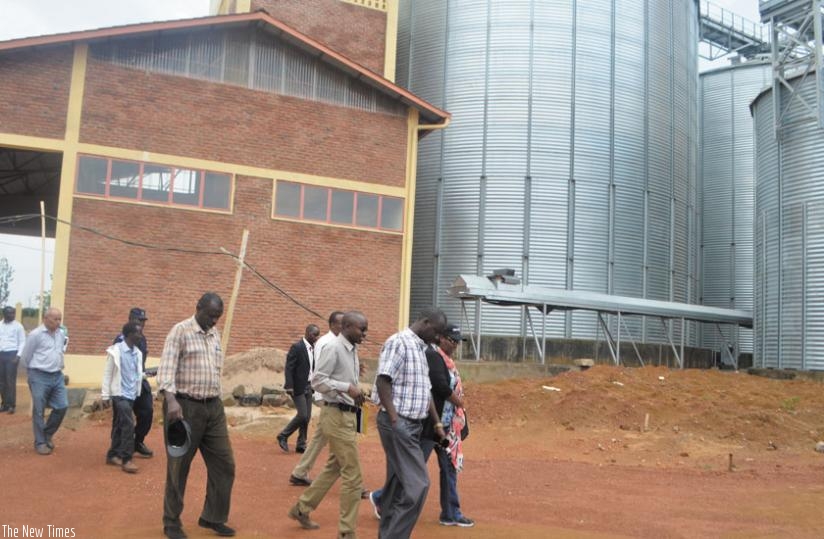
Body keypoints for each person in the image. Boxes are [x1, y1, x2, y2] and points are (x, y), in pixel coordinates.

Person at [369, 323, 474, 527]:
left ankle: (451, 512)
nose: (455, 346)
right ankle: (383, 500)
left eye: (458, 342)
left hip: (443, 425)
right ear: (441, 338)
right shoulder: (432, 356)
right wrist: (457, 404)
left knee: (447, 465)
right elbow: (440, 388)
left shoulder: (446, 360)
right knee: (414, 471)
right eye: (453, 341)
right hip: (429, 427)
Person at [157, 293, 236, 539]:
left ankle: (213, 517)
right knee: (178, 467)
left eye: (217, 317)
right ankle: (171, 523)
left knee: (225, 464)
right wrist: (171, 401)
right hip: (183, 408)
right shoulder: (180, 331)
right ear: (198, 308)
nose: (214, 321)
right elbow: (166, 369)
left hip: (213, 408)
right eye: (210, 315)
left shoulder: (214, 335)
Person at [287, 311, 368, 539]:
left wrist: (355, 389)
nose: (365, 334)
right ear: (348, 327)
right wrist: (346, 387)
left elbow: (340, 381)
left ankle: (301, 509)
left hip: (347, 416)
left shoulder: (351, 349)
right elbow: (317, 381)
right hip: (336, 416)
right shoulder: (333, 347)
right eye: (362, 329)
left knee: (334, 467)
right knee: (353, 476)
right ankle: (346, 532)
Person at [373, 308, 448, 539]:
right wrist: (395, 418)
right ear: (425, 322)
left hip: (414, 425)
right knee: (419, 484)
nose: (438, 338)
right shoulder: (399, 342)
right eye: (436, 332)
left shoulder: (421, 348)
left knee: (397, 485)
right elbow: (383, 380)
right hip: (398, 423)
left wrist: (437, 425)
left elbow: (425, 392)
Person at [289, 311, 343, 486]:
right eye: (343, 324)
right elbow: (321, 373)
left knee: (321, 436)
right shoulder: (326, 343)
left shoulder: (338, 342)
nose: (345, 327)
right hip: (329, 396)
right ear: (333, 324)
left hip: (335, 396)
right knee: (342, 437)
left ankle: (300, 472)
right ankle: (353, 479)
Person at [20, 307, 68, 455]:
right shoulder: (35, 335)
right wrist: (33, 375)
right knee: (39, 410)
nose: (58, 322)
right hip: (39, 375)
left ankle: (46, 434)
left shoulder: (61, 334)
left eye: (60, 319)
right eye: (55, 319)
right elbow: (26, 357)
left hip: (57, 375)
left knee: (62, 406)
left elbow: (60, 352)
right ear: (45, 319)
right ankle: (40, 442)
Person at [102, 321, 144, 474]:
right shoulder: (116, 351)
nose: (141, 335)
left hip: (131, 394)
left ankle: (112, 455)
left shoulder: (137, 353)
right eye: (138, 332)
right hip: (119, 395)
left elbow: (134, 374)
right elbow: (108, 373)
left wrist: (143, 377)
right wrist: (105, 395)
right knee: (128, 424)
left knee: (120, 424)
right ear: (129, 334)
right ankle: (127, 459)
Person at [113, 307, 154, 458]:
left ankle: (138, 442)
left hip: (140, 382)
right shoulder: (120, 340)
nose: (142, 324)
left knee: (147, 412)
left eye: (143, 321)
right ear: (130, 320)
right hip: (123, 385)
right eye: (139, 320)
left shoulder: (142, 339)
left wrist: (145, 373)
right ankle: (117, 450)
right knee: (121, 418)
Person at [277, 323, 320, 453]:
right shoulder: (297, 347)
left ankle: (301, 444)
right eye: (314, 334)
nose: (316, 337)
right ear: (307, 333)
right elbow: (289, 367)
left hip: (308, 386)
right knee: (302, 415)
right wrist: (289, 385)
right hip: (297, 387)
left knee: (307, 417)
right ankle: (283, 435)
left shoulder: (314, 348)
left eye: (317, 335)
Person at [0, 305, 26, 414]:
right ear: (4, 314)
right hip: (1, 354)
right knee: (1, 381)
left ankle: (11, 405)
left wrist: (18, 356)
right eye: (10, 313)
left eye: (13, 313)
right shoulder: (0, 325)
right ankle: (4, 404)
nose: (12, 315)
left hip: (12, 354)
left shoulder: (18, 326)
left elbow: (22, 342)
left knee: (10, 381)